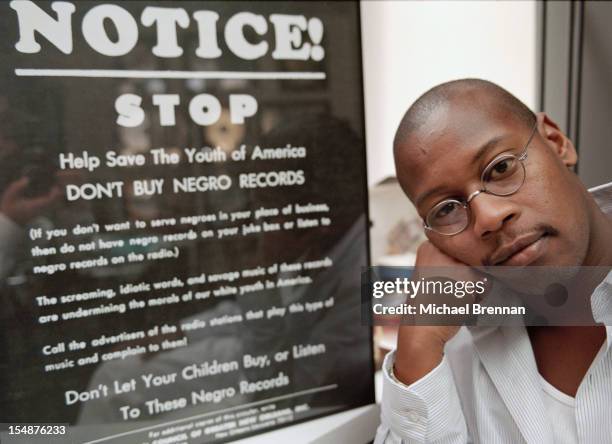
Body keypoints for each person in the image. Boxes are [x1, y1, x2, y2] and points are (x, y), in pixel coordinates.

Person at [374, 79, 612, 443]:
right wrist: (419, 348)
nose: (487, 218)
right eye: (447, 209)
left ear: (555, 141)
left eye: (501, 168)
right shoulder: (446, 340)